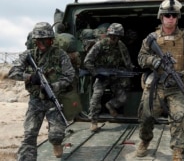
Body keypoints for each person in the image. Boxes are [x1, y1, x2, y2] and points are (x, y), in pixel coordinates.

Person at [136, 0, 184, 161]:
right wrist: (152, 61)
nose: (170, 18)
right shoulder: (152, 38)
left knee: (178, 117)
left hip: (177, 85)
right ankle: (144, 140)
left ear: (177, 18)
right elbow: (141, 58)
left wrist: (182, 74)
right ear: (161, 17)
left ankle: (178, 149)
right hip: (156, 84)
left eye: (174, 15)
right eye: (167, 15)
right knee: (147, 116)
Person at [8, 22, 75, 160]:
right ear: (35, 41)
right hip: (36, 101)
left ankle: (57, 143)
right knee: (30, 134)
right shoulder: (28, 55)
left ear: (51, 40)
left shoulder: (60, 54)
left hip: (54, 100)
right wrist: (31, 77)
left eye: (46, 40)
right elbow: (12, 73)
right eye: (39, 40)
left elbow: (70, 76)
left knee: (56, 134)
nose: (42, 43)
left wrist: (55, 86)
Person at [84, 23, 134, 132]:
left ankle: (110, 105)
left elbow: (128, 63)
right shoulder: (100, 45)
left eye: (116, 36)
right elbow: (87, 61)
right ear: (108, 34)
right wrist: (96, 73)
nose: (113, 38)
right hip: (101, 75)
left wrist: (131, 71)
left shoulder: (121, 46)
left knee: (123, 98)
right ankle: (93, 121)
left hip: (115, 76)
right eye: (111, 35)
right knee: (96, 96)